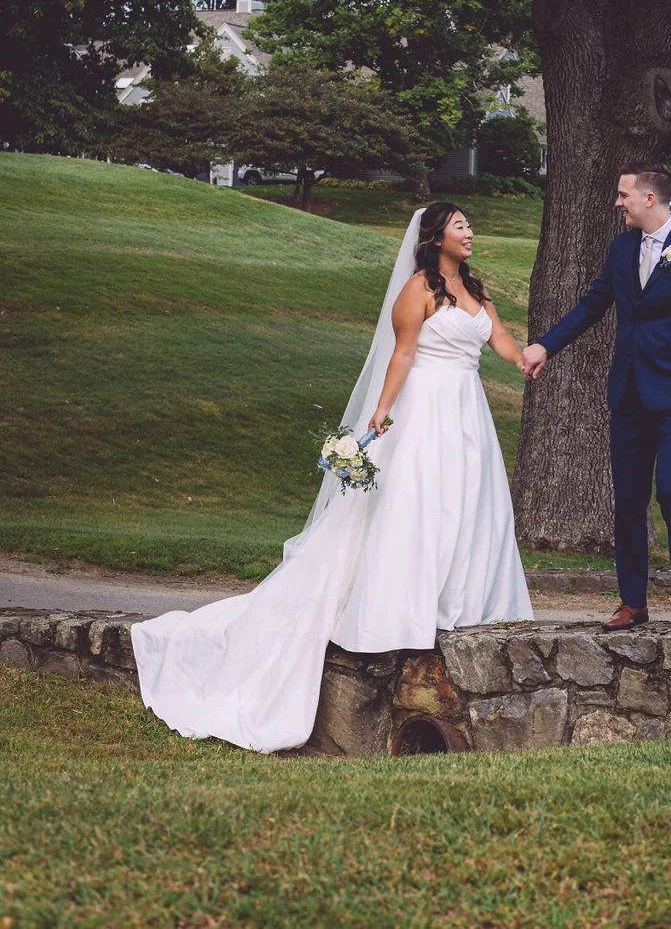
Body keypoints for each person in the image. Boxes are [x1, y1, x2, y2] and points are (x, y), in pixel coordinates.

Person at [132, 203, 534, 752]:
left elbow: (501, 341)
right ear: (435, 235)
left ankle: (460, 603)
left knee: (469, 504)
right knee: (419, 503)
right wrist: (381, 414)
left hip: (468, 413)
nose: (470, 232)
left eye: (469, 225)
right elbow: (403, 354)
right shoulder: (417, 288)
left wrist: (529, 358)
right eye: (460, 225)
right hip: (424, 412)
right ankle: (406, 608)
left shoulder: (477, 291)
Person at [522, 164, 671, 632]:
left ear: (649, 198)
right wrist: (545, 346)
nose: (618, 203)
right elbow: (593, 304)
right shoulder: (621, 248)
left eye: (623, 195)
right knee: (628, 501)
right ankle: (632, 601)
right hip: (629, 393)